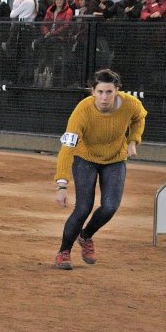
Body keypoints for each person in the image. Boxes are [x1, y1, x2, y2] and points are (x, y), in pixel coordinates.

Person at [54, 69, 147, 270]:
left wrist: (133, 140)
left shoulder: (131, 104)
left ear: (117, 91)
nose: (104, 97)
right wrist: (61, 184)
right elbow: (67, 148)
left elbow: (140, 118)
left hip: (115, 159)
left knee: (110, 206)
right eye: (100, 92)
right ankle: (64, 252)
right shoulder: (82, 111)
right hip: (85, 158)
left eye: (109, 92)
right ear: (93, 92)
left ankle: (85, 236)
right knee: (83, 208)